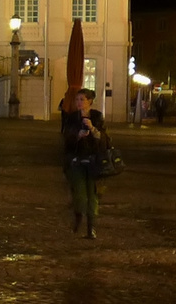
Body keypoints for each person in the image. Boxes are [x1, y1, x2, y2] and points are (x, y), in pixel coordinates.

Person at [61, 88, 106, 239]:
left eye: (82, 99)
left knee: (92, 194)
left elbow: (104, 139)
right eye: (77, 100)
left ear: (90, 101)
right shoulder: (72, 117)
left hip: (93, 160)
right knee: (79, 193)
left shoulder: (97, 116)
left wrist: (92, 128)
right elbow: (66, 137)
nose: (79, 103)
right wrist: (77, 136)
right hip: (77, 159)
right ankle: (78, 218)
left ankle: (91, 227)